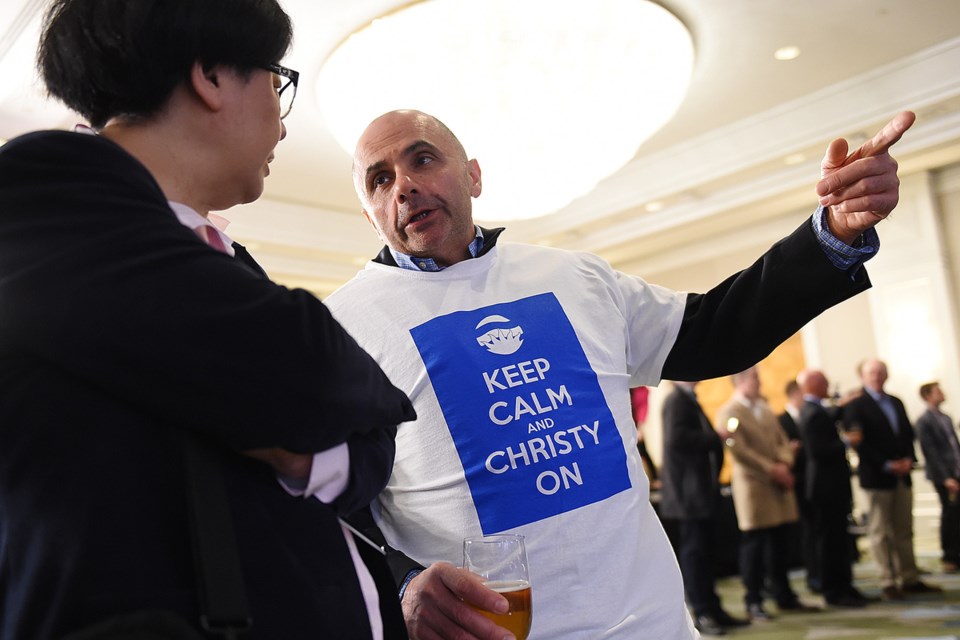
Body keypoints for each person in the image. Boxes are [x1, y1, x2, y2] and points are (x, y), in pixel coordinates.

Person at [325, 108, 914, 639]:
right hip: (492, 630)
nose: (403, 185)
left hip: (646, 620)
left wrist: (833, 234)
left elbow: (714, 331)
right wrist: (399, 584)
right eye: (379, 179)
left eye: (422, 159)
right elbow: (324, 500)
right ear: (369, 215)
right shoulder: (339, 326)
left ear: (474, 176)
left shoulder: (576, 278)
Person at [0, 1, 417, 638]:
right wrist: (298, 419)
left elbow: (363, 445)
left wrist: (293, 441)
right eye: (277, 84)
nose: (281, 126)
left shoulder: (215, 260)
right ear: (211, 75)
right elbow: (313, 366)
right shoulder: (40, 194)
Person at [716, 367, 817, 621]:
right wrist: (772, 469)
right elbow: (738, 449)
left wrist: (784, 463)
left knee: (780, 542)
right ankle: (754, 600)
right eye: (754, 377)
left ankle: (784, 596)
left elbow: (783, 440)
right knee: (755, 545)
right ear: (739, 381)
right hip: (755, 486)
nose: (759, 381)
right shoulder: (730, 411)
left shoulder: (763, 408)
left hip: (777, 485)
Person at [843, 359, 942, 599]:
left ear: (886, 375)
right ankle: (888, 580)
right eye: (871, 373)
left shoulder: (895, 402)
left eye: (880, 372)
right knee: (880, 532)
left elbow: (907, 434)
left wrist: (908, 459)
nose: (876, 376)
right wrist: (886, 464)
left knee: (903, 529)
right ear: (863, 377)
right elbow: (860, 443)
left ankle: (909, 577)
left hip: (902, 476)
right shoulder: (856, 405)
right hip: (877, 477)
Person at [660, 381, 748, 635]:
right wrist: (716, 437)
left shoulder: (688, 399)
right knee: (696, 556)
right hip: (689, 497)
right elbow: (677, 439)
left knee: (706, 555)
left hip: (700, 494)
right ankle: (702, 612)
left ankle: (713, 608)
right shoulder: (677, 400)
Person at [796, 369, 869, 608]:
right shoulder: (811, 412)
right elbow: (819, 451)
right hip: (825, 488)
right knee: (829, 542)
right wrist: (847, 442)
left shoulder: (817, 409)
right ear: (813, 384)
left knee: (839, 539)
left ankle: (845, 586)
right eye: (825, 381)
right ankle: (834, 591)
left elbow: (830, 414)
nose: (829, 385)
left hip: (832, 487)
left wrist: (841, 404)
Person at [914, 382, 960, 574]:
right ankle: (949, 555)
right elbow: (930, 452)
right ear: (927, 396)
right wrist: (945, 477)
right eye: (938, 391)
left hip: (956, 471)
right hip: (943, 476)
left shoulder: (946, 418)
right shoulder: (923, 421)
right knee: (949, 514)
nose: (942, 393)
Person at [779, 379, 818, 592]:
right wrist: (789, 453)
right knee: (806, 531)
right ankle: (812, 576)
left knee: (814, 529)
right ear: (794, 394)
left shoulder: (808, 415)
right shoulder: (782, 420)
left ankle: (819, 572)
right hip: (794, 481)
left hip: (813, 480)